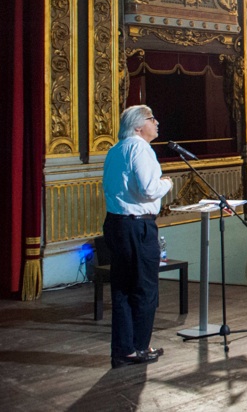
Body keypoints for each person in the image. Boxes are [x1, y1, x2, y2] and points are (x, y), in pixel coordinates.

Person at [101, 105, 174, 368]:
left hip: (116, 224)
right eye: (151, 118)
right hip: (137, 227)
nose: (157, 122)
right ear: (137, 126)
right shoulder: (140, 148)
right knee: (144, 289)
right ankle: (140, 347)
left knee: (122, 289)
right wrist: (167, 183)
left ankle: (123, 349)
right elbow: (148, 189)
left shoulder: (114, 149)